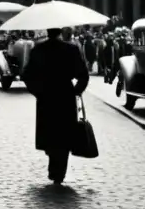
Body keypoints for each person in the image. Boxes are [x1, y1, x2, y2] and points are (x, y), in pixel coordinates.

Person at [22, 27, 90, 185]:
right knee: (64, 134)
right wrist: (75, 91)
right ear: (60, 32)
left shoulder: (39, 49)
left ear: (47, 31)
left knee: (49, 132)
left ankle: (54, 166)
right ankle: (59, 171)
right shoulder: (71, 49)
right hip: (65, 95)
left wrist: (37, 91)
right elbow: (84, 75)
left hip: (46, 96)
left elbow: (26, 75)